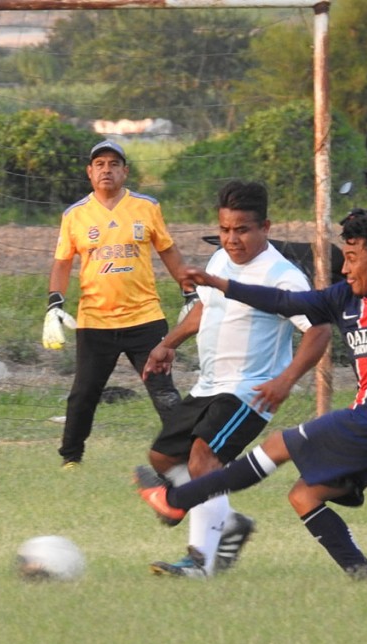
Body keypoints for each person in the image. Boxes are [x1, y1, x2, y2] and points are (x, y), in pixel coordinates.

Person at [136, 213, 367, 581]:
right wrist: (219, 283)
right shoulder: (343, 297)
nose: (344, 269)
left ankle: (175, 501)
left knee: (277, 445)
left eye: (352, 259)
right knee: (304, 496)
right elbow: (283, 302)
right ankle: (365, 578)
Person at [138, 180, 331, 578]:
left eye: (242, 230)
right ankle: (226, 523)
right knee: (162, 457)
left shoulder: (282, 275)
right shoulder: (219, 261)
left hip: (250, 391)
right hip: (209, 384)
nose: (231, 239)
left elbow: (319, 330)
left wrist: (286, 380)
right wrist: (167, 344)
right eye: (225, 229)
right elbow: (204, 308)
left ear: (266, 227)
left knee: (203, 459)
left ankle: (200, 561)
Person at [44, 139, 187, 469]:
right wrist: (54, 304)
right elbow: (62, 263)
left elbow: (168, 250)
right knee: (84, 394)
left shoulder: (147, 207)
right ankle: (71, 458)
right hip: (96, 321)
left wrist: (190, 292)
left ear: (125, 171)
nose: (106, 170)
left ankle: (188, 454)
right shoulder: (75, 215)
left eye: (113, 164)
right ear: (89, 172)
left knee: (163, 391)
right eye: (99, 164)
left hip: (145, 319)